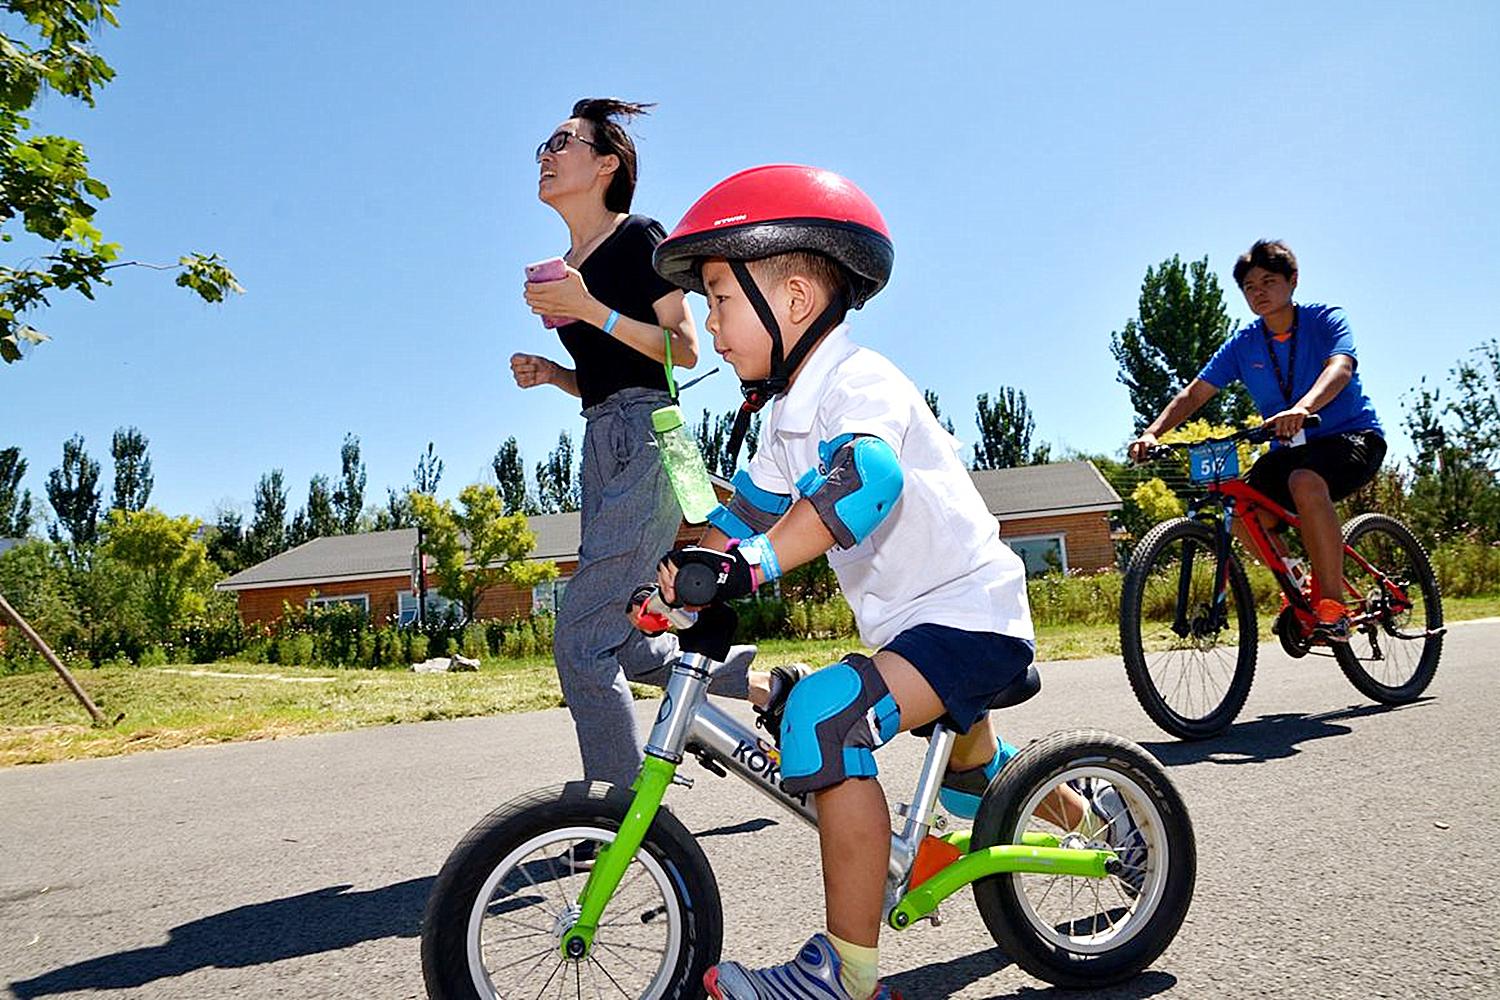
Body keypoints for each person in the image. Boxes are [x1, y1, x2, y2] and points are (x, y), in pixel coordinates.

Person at [647, 165, 1110, 1000]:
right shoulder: (788, 414)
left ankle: (846, 978)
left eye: (717, 297)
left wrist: (750, 565)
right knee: (981, 779)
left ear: (793, 301)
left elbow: (864, 481)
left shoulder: (858, 384)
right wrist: (682, 579)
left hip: (972, 617)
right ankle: (1101, 820)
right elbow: (745, 512)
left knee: (824, 717)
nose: (707, 323)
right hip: (917, 630)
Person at [515, 98, 771, 791]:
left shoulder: (639, 238)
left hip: (650, 438)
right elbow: (611, 373)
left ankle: (618, 814)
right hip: (601, 436)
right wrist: (556, 375)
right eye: (545, 140)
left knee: (581, 638)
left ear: (606, 164)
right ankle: (769, 687)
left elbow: (682, 352)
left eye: (563, 141)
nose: (546, 151)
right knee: (627, 638)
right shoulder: (569, 261)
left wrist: (586, 308)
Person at [1128, 239, 1386, 639]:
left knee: (1304, 481)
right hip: (1289, 448)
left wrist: (1303, 407)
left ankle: (1332, 606)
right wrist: (1152, 432)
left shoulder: (1325, 319)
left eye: (1268, 281)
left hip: (1350, 438)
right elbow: (1195, 393)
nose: (1259, 292)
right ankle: (1297, 581)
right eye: (1250, 287)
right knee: (1238, 508)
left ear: (1293, 280)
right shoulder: (1244, 343)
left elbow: (1340, 368)